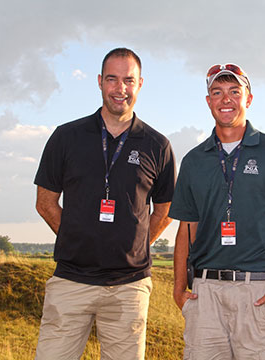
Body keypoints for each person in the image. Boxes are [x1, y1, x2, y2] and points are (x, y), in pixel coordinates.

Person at [33, 48, 176, 360]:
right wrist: (76, 238)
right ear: (99, 81)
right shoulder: (65, 136)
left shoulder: (158, 145)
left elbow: (164, 211)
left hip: (129, 286)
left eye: (128, 80)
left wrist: (134, 244)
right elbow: (45, 202)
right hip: (71, 279)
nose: (120, 88)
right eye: (112, 79)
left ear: (140, 84)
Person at [169, 63, 265, 359]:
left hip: (259, 293)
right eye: (217, 92)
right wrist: (178, 290)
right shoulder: (194, 160)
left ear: (248, 99)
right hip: (205, 294)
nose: (226, 99)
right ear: (208, 101)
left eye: (234, 91)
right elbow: (186, 228)